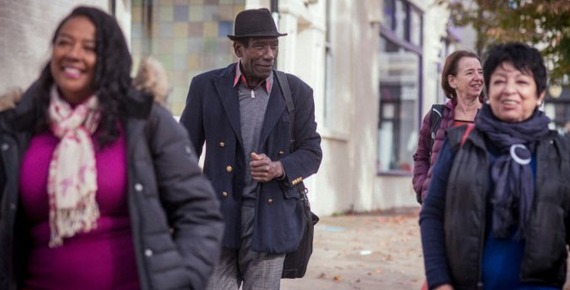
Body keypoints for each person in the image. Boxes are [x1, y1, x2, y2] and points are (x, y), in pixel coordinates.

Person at [0, 6, 224, 290]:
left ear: (110, 58)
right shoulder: (17, 126)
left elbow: (199, 212)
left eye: (89, 47)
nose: (73, 54)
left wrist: (181, 281)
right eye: (64, 43)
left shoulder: (145, 121)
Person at [179, 8, 322, 290]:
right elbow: (182, 154)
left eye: (274, 46)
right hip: (218, 218)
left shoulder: (296, 92)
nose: (270, 54)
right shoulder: (205, 87)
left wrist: (279, 168)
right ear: (238, 49)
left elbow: (312, 152)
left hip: (270, 220)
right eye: (260, 46)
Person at [420, 42, 568, 289]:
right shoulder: (461, 144)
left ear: (539, 94)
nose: (509, 90)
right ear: (489, 90)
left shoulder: (559, 152)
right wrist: (439, 282)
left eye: (521, 82)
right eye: (499, 81)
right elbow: (433, 213)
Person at [413, 50, 484, 204]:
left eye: (480, 72)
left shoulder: (493, 118)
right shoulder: (436, 116)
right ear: (452, 81)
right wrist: (423, 188)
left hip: (481, 208)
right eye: (470, 73)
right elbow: (421, 156)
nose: (478, 78)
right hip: (440, 206)